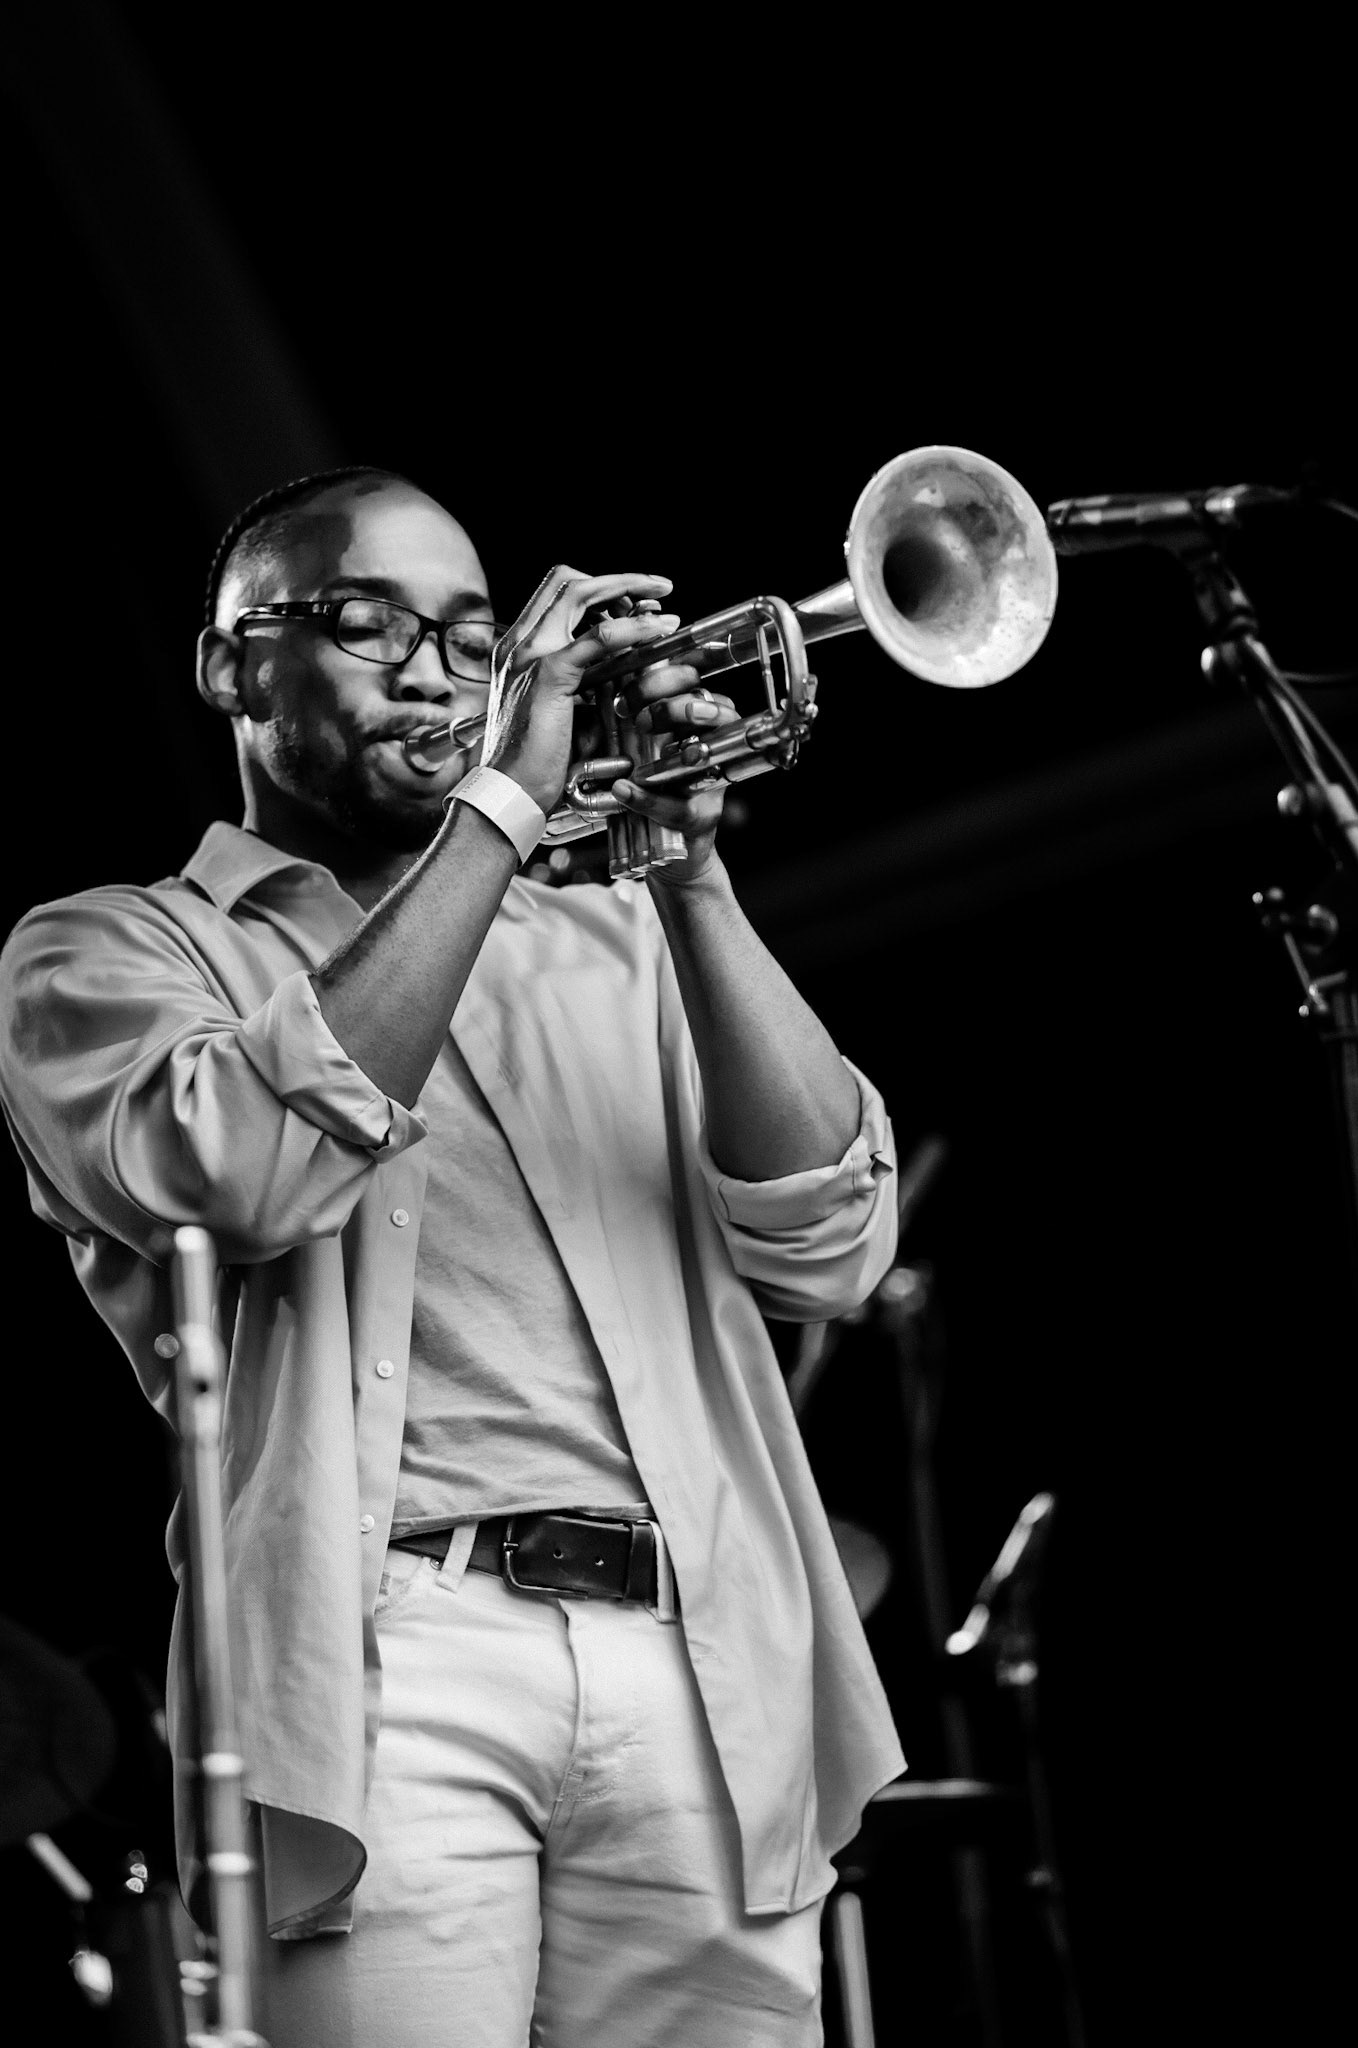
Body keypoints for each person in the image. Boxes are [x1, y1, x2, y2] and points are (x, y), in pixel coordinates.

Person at [0, 465, 904, 2047]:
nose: (434, 670)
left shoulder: (612, 940)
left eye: (472, 638)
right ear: (230, 668)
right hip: (384, 1667)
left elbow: (828, 1237)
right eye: (366, 623)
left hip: (703, 1661)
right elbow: (239, 1174)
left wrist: (686, 871)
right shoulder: (110, 949)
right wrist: (501, 809)